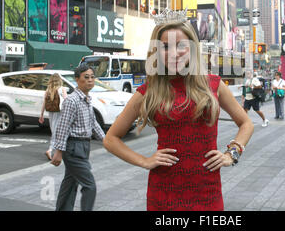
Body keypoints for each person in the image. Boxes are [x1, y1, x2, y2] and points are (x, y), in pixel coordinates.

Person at [103, 14, 254, 211]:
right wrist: (145, 161)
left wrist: (232, 153)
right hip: (164, 192)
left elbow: (246, 123)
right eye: (165, 47)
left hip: (207, 192)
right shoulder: (150, 89)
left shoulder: (213, 85)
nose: (173, 53)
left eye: (181, 45)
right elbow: (110, 138)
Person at [51, 64, 105, 211]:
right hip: (73, 148)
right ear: (77, 80)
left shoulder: (87, 99)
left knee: (70, 183)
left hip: (84, 147)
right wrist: (58, 151)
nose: (90, 80)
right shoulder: (72, 100)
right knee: (90, 185)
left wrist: (106, 140)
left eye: (92, 77)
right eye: (86, 77)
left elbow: (93, 123)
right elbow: (63, 126)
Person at [39, 73, 67, 161]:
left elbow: (44, 103)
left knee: (54, 130)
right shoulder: (62, 89)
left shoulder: (48, 89)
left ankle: (54, 150)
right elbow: (66, 102)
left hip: (51, 112)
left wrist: (41, 114)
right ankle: (51, 150)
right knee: (57, 132)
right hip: (59, 112)